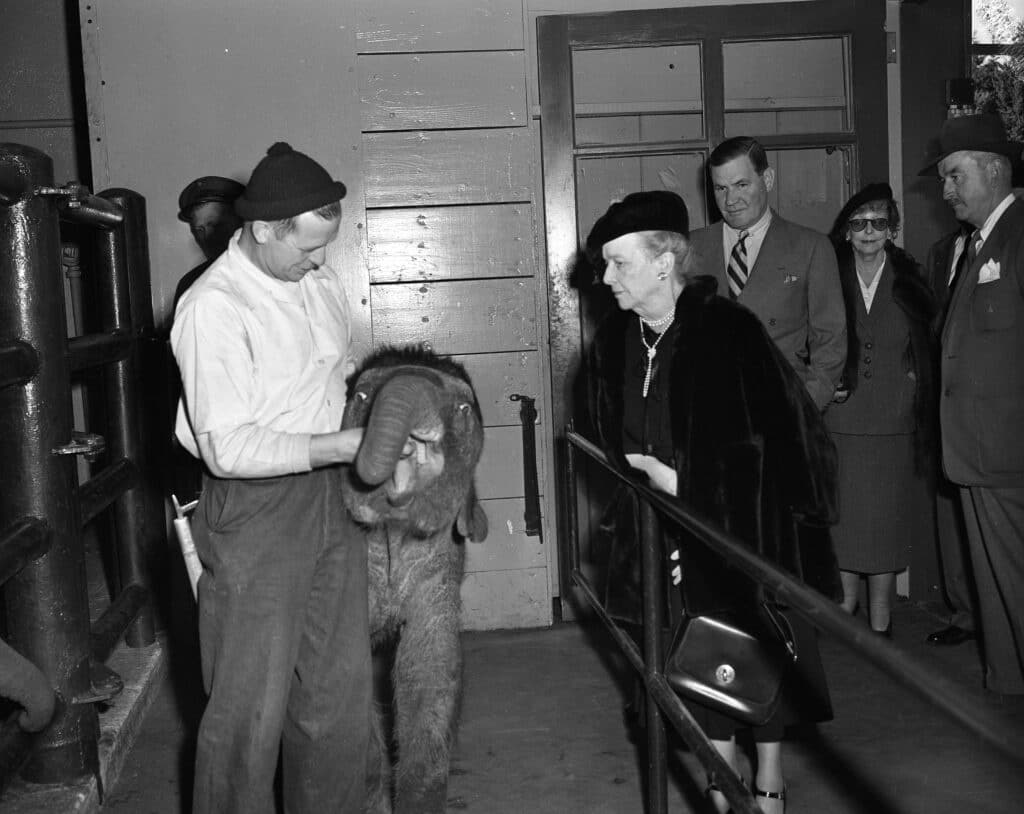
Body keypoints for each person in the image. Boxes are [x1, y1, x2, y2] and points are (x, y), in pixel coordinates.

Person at [585, 190, 841, 813]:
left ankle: (770, 778)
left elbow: (792, 445)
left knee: (755, 667)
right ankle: (727, 791)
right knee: (698, 680)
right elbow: (606, 438)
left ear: (665, 262)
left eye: (619, 262)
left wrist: (684, 488)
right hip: (660, 540)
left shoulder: (730, 332)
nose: (606, 277)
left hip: (741, 533)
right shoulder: (615, 343)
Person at [171, 142, 370, 813]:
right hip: (255, 512)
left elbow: (340, 376)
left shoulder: (319, 284)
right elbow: (226, 447)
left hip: (331, 499)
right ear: (261, 230)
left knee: (335, 699)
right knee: (247, 711)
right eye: (307, 248)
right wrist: (340, 442)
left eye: (325, 247)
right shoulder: (214, 307)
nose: (320, 261)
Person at [920, 113, 1024, 695]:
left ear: (993, 168)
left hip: (1010, 456)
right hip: (978, 457)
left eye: (955, 175)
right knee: (997, 594)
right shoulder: (977, 245)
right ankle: (1008, 693)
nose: (946, 190)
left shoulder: (1020, 234)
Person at [825, 183, 937, 636]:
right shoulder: (829, 271)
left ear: (892, 229)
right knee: (846, 519)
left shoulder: (910, 275)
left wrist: (916, 378)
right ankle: (846, 605)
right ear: (847, 231)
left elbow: (930, 338)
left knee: (885, 522)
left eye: (879, 222)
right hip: (840, 419)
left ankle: (881, 615)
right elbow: (812, 333)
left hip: (893, 420)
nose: (869, 231)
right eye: (859, 223)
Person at [689, 136, 847, 410]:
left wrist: (803, 409)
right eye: (720, 188)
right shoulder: (690, 248)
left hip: (782, 415)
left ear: (769, 179)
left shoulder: (810, 247)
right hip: (709, 419)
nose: (730, 200)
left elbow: (830, 342)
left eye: (741, 185)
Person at [923, 223, 978, 647]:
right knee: (951, 509)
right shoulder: (943, 251)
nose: (949, 190)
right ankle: (965, 614)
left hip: (990, 404)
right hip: (945, 401)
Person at [174, 175, 245, 309]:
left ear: (240, 221)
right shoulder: (191, 285)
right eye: (199, 229)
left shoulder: (271, 273)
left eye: (215, 225)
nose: (206, 237)